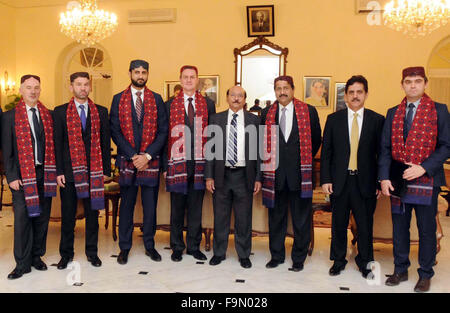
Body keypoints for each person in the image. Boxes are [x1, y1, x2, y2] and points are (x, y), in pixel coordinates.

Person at [379, 66, 450, 292]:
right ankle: (400, 269)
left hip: (426, 179)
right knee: (399, 227)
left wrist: (423, 168)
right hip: (398, 179)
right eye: (408, 81)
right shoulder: (393, 112)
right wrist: (383, 178)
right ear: (402, 85)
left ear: (425, 84)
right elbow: (385, 148)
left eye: (417, 81)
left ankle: (425, 273)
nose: (413, 85)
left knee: (426, 229)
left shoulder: (439, 110)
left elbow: (446, 145)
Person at [320, 75, 385, 278]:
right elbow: (327, 152)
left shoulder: (377, 120)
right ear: (346, 96)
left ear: (366, 94)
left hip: (365, 182)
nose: (355, 96)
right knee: (338, 223)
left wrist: (379, 181)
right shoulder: (333, 120)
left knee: (365, 225)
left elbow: (381, 154)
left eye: (359, 92)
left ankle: (365, 262)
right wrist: (325, 179)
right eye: (351, 92)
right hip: (340, 181)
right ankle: (338, 260)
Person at [261, 75, 321, 271]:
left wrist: (302, 159)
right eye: (278, 88)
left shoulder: (308, 111)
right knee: (276, 219)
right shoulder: (266, 113)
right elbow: (262, 144)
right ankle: (276, 256)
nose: (282, 92)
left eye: (285, 88)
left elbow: (316, 140)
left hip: (299, 175)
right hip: (275, 176)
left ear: (293, 89)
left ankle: (298, 258)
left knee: (301, 219)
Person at [110, 60, 168, 265]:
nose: (140, 75)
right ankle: (124, 248)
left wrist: (147, 156)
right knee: (126, 206)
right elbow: (114, 130)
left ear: (148, 74)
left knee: (150, 207)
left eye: (144, 72)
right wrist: (134, 155)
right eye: (137, 72)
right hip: (127, 161)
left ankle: (150, 246)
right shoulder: (118, 99)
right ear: (130, 73)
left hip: (150, 162)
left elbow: (163, 131)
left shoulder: (157, 99)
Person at [54, 72, 111, 269]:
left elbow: (105, 143)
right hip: (69, 173)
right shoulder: (60, 112)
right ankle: (66, 254)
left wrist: (105, 170)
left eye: (86, 84)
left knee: (93, 215)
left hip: (94, 172)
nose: (83, 88)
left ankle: (92, 253)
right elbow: (57, 144)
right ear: (71, 87)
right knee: (68, 216)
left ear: (90, 87)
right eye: (79, 84)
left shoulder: (101, 112)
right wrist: (58, 171)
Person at [2, 75, 55, 279]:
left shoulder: (47, 115)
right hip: (22, 176)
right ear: (21, 90)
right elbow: (7, 151)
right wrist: (11, 176)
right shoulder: (9, 117)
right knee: (23, 220)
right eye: (28, 87)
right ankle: (21, 263)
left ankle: (36, 257)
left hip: (45, 173)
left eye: (36, 87)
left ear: (40, 90)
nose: (33, 91)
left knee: (42, 218)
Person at [162, 65, 215, 262]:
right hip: (176, 165)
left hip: (199, 165)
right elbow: (164, 137)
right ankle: (177, 246)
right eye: (185, 77)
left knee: (195, 209)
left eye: (192, 77)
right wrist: (164, 167)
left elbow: (211, 138)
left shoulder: (208, 104)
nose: (189, 80)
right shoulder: (169, 105)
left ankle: (194, 246)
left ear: (197, 80)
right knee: (176, 209)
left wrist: (209, 169)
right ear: (180, 79)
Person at [205, 86, 261, 268]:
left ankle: (244, 254)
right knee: (220, 217)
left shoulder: (254, 120)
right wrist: (209, 176)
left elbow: (260, 152)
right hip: (222, 175)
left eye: (240, 96)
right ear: (227, 97)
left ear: (245, 99)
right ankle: (219, 253)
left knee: (243, 218)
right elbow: (210, 151)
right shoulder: (216, 119)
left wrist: (258, 178)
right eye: (233, 95)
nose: (236, 99)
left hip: (244, 176)